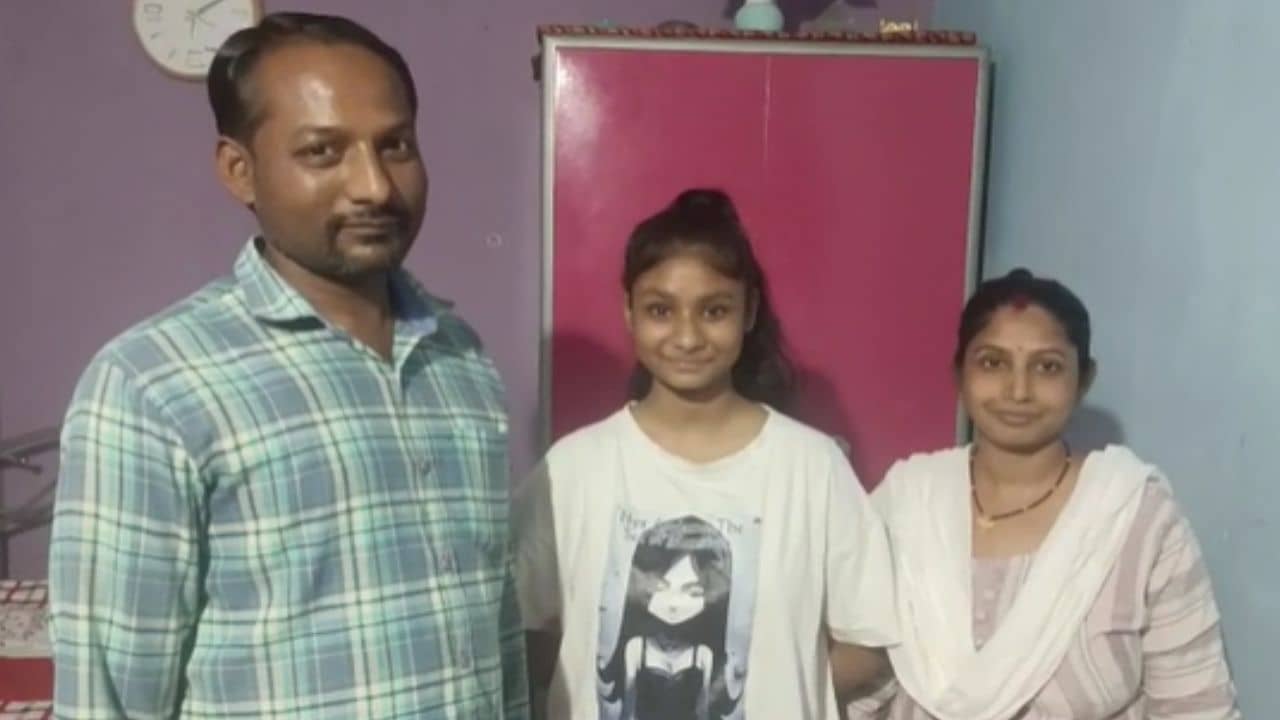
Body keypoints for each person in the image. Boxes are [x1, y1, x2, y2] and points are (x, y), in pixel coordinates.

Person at [47, 12, 526, 719]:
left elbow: (496, 629)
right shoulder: (153, 384)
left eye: (394, 145)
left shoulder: (459, 359)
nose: (374, 186)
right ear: (240, 170)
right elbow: (107, 696)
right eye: (323, 152)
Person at [514, 189, 898, 719]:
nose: (688, 337)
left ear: (749, 311)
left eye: (714, 310)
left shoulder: (813, 468)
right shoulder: (573, 470)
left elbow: (867, 642)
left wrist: (775, 688)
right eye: (660, 310)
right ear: (628, 311)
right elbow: (519, 630)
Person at [850, 268, 1240, 719]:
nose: (1018, 391)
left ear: (1084, 380)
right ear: (959, 374)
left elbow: (1197, 708)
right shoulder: (907, 506)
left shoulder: (1135, 518)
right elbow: (846, 685)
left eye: (1047, 367)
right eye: (992, 363)